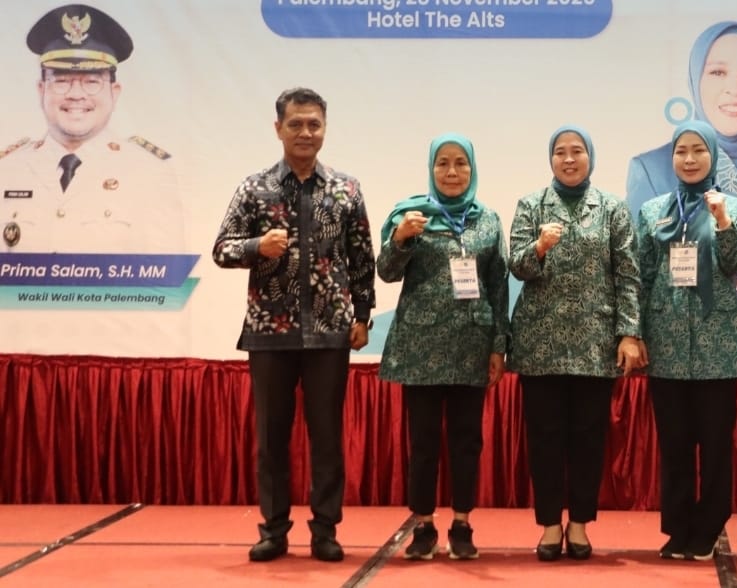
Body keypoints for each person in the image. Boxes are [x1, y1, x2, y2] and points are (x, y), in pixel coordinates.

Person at [212, 87, 375, 563]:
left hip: (330, 332)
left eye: (314, 124)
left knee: (327, 438)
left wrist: (362, 315)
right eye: (296, 124)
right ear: (278, 128)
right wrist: (255, 247)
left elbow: (361, 257)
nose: (306, 132)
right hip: (269, 332)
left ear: (324, 129)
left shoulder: (346, 188)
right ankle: (273, 530)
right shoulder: (254, 188)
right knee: (272, 439)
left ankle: (325, 530)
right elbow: (222, 248)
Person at [508, 125, 643, 561]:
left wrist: (628, 333)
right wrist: (539, 247)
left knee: (588, 439)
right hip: (540, 343)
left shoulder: (612, 208)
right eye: (560, 152)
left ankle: (580, 525)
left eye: (577, 151)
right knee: (544, 438)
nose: (569, 159)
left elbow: (627, 274)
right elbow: (517, 266)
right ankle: (550, 526)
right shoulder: (531, 205)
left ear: (590, 157)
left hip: (595, 341)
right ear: (551, 159)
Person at [377, 133, 509, 561]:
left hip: (472, 342)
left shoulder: (488, 220)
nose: (452, 172)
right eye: (443, 164)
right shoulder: (411, 216)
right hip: (421, 345)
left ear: (472, 169)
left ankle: (462, 524)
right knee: (424, 442)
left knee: (467, 441)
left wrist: (498, 345)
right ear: (432, 169)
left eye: (460, 163)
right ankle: (423, 525)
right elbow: (386, 272)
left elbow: (497, 285)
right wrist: (400, 239)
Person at [637, 120, 737, 561]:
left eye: (698, 150)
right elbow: (641, 275)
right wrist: (635, 333)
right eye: (681, 151)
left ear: (713, 156)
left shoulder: (735, 207)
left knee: (716, 445)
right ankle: (679, 527)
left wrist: (722, 221)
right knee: (675, 444)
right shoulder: (653, 210)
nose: (689, 159)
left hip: (716, 346)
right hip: (666, 342)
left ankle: (709, 526)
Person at [0, 3, 181, 253]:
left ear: (114, 92)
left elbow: (168, 275)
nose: (76, 94)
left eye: (92, 82)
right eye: (61, 81)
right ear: (41, 90)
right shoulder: (7, 169)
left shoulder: (149, 172)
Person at [626, 20, 737, 266]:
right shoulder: (652, 170)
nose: (734, 89)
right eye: (718, 73)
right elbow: (639, 266)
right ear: (695, 79)